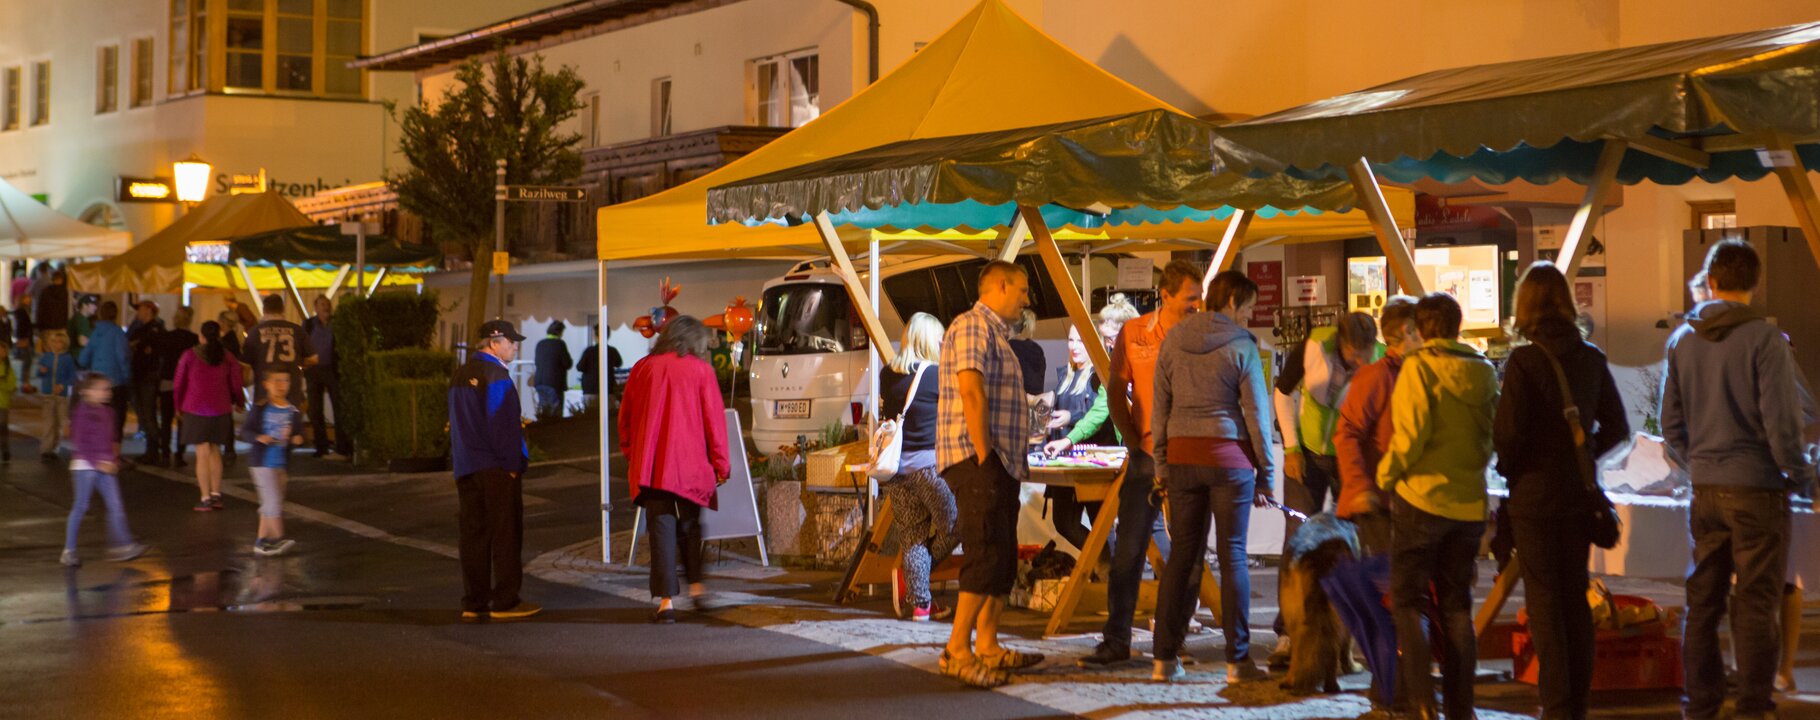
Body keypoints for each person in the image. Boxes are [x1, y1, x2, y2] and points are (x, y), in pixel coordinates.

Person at [1662, 240, 1814, 720]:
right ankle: (1752, 706)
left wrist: (1700, 464)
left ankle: (1701, 705)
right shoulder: (1766, 341)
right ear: (1756, 283)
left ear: (1711, 281)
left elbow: (1670, 427)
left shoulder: (1682, 340)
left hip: (1705, 491)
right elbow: (1782, 425)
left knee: (1702, 601)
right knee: (1755, 601)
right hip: (1759, 489)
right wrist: (1802, 475)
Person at [1493, 262, 1630, 720]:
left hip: (1533, 499)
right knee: (1574, 599)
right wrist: (1583, 454)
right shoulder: (1591, 358)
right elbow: (1618, 426)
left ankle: (1556, 706)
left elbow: (1508, 436)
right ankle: (1577, 705)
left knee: (1546, 605)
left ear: (1525, 305)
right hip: (1577, 496)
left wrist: (1512, 470)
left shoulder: (1524, 362)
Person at [1149, 270, 1275, 684]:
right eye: (1250, 308)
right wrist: (1266, 474)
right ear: (1233, 302)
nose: (1249, 317)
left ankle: (1164, 659)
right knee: (1233, 554)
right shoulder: (1241, 345)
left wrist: (1162, 466)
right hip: (1229, 458)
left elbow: (1159, 411)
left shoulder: (1172, 341)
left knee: (1183, 553)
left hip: (1183, 457)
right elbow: (1257, 414)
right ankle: (1238, 662)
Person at [1077, 260, 1203, 669]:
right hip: (1146, 456)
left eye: (1199, 299)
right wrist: (1132, 441)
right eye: (1190, 298)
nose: (1197, 306)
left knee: (1187, 556)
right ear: (1164, 295)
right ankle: (1117, 638)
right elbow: (1115, 391)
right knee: (1128, 551)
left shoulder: (1199, 333)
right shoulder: (1134, 333)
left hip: (1187, 457)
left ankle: (1171, 641)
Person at [1379, 292, 1499, 720]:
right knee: (1456, 605)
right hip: (1467, 506)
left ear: (1423, 327)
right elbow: (1490, 437)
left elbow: (1411, 436)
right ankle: (1461, 708)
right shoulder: (1485, 371)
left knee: (1409, 603)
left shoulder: (1418, 368)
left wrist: (1386, 476)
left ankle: (1422, 703)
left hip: (1421, 500)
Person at [937, 260, 1041, 688]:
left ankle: (988, 645)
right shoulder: (972, 326)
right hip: (978, 458)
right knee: (983, 552)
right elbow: (971, 391)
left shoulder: (996, 334)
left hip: (999, 460)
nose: (1027, 299)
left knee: (1000, 556)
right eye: (1022, 290)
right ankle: (957, 650)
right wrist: (985, 455)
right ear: (1000, 285)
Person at [1270, 310, 1381, 666]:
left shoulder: (1378, 355)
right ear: (1341, 342)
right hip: (1308, 454)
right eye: (1355, 352)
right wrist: (1290, 447)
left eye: (1366, 352)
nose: (1361, 359)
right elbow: (1283, 392)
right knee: (1297, 539)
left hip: (1351, 459)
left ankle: (1347, 634)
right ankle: (1287, 632)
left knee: (1356, 543)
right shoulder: (1314, 345)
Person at [618, 316, 731, 623]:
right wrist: (721, 464)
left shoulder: (643, 369)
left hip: (653, 464)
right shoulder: (700, 370)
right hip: (690, 464)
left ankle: (666, 602)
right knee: (691, 526)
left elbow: (625, 418)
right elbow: (714, 422)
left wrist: (633, 454)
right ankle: (696, 588)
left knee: (661, 529)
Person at [447, 320, 539, 622]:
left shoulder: (460, 375)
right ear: (493, 341)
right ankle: (506, 601)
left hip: (466, 467)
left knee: (474, 535)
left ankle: (474, 601)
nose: (515, 346)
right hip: (496, 468)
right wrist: (513, 466)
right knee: (505, 534)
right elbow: (504, 427)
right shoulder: (496, 375)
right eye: (511, 341)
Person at [878, 312, 959, 622]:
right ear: (930, 340)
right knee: (956, 524)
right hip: (929, 467)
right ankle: (919, 581)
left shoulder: (888, 374)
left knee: (912, 536)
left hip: (897, 470)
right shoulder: (938, 374)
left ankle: (921, 606)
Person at [1334, 296, 1420, 556]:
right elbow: (1346, 434)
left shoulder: (1416, 372)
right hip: (1378, 503)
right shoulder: (1377, 376)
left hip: (1405, 500)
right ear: (1408, 330)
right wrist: (1360, 487)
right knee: (1388, 583)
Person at [59, 373, 148, 567]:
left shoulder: (108, 412)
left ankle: (124, 546)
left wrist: (113, 460)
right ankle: (69, 550)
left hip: (104, 466)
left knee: (115, 505)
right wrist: (98, 462)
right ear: (87, 392)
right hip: (84, 466)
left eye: (108, 388)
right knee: (81, 506)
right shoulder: (81, 413)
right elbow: (80, 443)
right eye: (103, 388)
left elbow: (109, 440)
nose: (108, 392)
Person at [1043, 325, 1113, 557]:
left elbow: (1098, 416)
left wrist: (1071, 417)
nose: (1074, 347)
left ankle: (1105, 571)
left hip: (1092, 463)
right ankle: (1102, 565)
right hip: (1064, 462)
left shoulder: (1099, 376)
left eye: (1081, 341)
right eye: (1071, 341)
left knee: (1099, 522)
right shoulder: (1066, 375)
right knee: (1063, 521)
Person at [176, 321, 244, 514]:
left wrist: (177, 405)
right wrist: (239, 401)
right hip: (221, 409)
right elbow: (236, 381)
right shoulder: (227, 356)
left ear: (201, 336)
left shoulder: (190, 355)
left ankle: (205, 497)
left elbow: (179, 382)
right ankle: (216, 494)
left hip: (196, 408)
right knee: (215, 451)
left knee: (202, 452)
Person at [242, 366, 305, 556]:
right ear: (266, 384)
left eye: (285, 380)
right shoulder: (260, 408)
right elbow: (245, 431)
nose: (281, 385)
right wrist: (259, 437)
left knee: (270, 503)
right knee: (273, 503)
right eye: (276, 381)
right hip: (262, 463)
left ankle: (262, 541)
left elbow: (299, 433)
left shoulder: (292, 410)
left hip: (280, 464)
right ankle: (277, 538)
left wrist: (297, 439)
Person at [302, 296, 352, 459]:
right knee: (315, 410)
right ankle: (321, 446)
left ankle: (342, 446)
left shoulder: (337, 324)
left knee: (339, 408)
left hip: (332, 369)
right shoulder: (309, 324)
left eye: (328, 304)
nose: (326, 307)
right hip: (313, 370)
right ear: (315, 308)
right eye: (322, 305)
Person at [243, 294, 314, 405]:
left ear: (264, 309)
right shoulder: (297, 330)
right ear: (282, 309)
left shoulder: (254, 332)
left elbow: (245, 367)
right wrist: (297, 361)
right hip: (292, 392)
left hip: (264, 394)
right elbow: (313, 359)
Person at [79, 301, 131, 441]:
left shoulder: (95, 333)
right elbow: (123, 357)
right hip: (116, 383)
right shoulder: (118, 333)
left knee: (99, 421)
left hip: (97, 382)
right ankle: (114, 455)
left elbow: (83, 358)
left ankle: (99, 450)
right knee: (116, 422)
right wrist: (127, 377)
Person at [155, 307, 199, 469]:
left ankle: (165, 452)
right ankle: (179, 454)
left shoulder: (166, 337)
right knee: (183, 422)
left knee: (166, 420)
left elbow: (160, 358)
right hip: (187, 384)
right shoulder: (194, 339)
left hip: (168, 381)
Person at [33, 331, 78, 459]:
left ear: (64, 344)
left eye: (59, 342)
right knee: (48, 422)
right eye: (54, 341)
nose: (57, 344)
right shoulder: (46, 357)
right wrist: (41, 371)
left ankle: (54, 447)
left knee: (59, 422)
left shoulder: (68, 359)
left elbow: (72, 377)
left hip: (61, 396)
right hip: (48, 393)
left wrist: (62, 385)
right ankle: (46, 448)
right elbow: (39, 373)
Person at [533, 321, 573, 418]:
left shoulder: (540, 344)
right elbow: (567, 363)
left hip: (539, 382)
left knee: (544, 412)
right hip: (554, 384)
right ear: (559, 332)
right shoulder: (559, 344)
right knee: (555, 414)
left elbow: (537, 362)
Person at [34, 268, 69, 344]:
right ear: (62, 279)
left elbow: (40, 310)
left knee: (48, 349)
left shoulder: (45, 292)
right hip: (62, 326)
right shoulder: (66, 293)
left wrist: (39, 327)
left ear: (52, 279)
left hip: (47, 327)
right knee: (60, 348)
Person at [13, 293, 34, 392]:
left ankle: (26, 383)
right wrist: (23, 338)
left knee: (27, 362)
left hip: (25, 338)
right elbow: (22, 327)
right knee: (27, 362)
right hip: (24, 339)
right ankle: (25, 384)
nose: (29, 300)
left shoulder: (22, 311)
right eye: (27, 298)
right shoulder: (21, 312)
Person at [577, 327, 601, 401]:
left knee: (590, 411)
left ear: (596, 336)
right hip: (607, 388)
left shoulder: (589, 351)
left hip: (590, 388)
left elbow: (579, 367)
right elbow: (618, 362)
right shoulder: (611, 351)